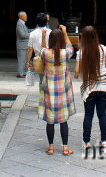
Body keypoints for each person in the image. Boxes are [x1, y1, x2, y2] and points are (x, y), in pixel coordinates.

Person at [38, 25, 76, 155]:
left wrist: (43, 36)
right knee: (63, 120)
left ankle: (51, 147)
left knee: (50, 120)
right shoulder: (65, 54)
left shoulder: (46, 54)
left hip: (49, 90)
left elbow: (41, 49)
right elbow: (71, 47)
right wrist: (65, 33)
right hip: (62, 91)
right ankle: (65, 147)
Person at [75, 26, 106, 150]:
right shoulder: (103, 49)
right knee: (102, 115)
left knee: (88, 115)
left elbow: (76, 71)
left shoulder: (81, 52)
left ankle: (86, 141)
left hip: (89, 88)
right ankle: (104, 140)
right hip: (103, 86)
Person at [26, 12, 49, 77]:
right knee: (49, 79)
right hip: (49, 57)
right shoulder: (50, 32)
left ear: (37, 22)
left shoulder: (32, 33)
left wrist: (28, 62)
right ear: (46, 21)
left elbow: (30, 49)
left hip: (39, 59)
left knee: (41, 79)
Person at [15, 11, 30, 77]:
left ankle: (23, 72)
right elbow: (22, 35)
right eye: (25, 16)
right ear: (21, 17)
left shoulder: (22, 23)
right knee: (21, 60)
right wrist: (32, 34)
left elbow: (27, 31)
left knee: (24, 59)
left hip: (24, 45)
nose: (26, 17)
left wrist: (34, 30)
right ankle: (20, 73)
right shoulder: (19, 24)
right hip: (22, 45)